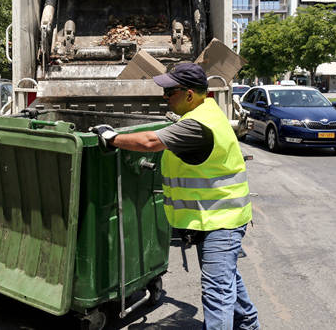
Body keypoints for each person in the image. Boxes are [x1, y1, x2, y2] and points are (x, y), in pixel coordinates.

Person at [90, 63, 259, 330]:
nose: (165, 97)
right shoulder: (208, 111)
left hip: (221, 221)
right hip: (215, 217)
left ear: (190, 94)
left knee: (217, 293)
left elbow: (149, 143)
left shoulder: (198, 126)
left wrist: (111, 138)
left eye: (169, 92)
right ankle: (249, 325)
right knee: (227, 280)